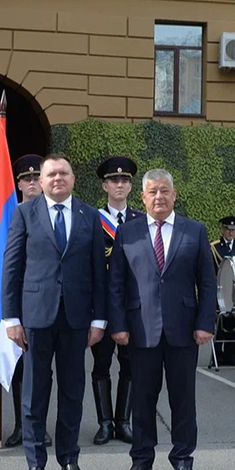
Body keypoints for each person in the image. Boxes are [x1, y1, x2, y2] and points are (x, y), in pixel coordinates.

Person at [2, 153, 106, 470]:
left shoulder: (89, 216)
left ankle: (70, 460)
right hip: (36, 316)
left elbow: (97, 273)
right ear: (42, 181)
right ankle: (36, 465)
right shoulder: (24, 213)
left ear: (73, 179)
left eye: (63, 173)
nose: (57, 178)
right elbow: (12, 267)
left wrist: (100, 319)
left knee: (72, 392)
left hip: (76, 318)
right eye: (51, 174)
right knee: (34, 393)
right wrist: (11, 317)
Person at [109, 169, 215, 470]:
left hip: (183, 331)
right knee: (141, 400)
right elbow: (116, 283)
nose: (159, 197)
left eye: (165, 191)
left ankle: (183, 460)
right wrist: (118, 324)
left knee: (183, 400)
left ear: (174, 194)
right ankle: (141, 461)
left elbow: (207, 284)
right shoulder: (128, 233)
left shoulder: (194, 231)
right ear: (143, 197)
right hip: (140, 330)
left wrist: (205, 324)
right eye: (153, 191)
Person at [90, 156, 143, 445]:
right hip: (101, 306)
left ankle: (123, 422)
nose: (119, 184)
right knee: (100, 366)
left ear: (131, 186)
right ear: (104, 186)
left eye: (124, 180)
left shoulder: (141, 221)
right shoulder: (91, 220)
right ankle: (104, 424)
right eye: (113, 180)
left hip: (131, 306)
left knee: (130, 365)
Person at [4, 154, 51, 450]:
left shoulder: (52, 213)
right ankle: (21, 425)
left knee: (40, 369)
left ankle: (39, 427)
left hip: (42, 303)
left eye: (36, 177)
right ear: (18, 183)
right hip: (14, 301)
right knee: (17, 368)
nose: (31, 182)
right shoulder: (5, 212)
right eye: (26, 178)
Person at [210, 215, 235, 367]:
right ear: (222, 229)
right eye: (228, 229)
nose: (231, 233)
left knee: (234, 322)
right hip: (221, 289)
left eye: (233, 230)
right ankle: (217, 355)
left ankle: (231, 355)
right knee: (221, 323)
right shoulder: (214, 247)